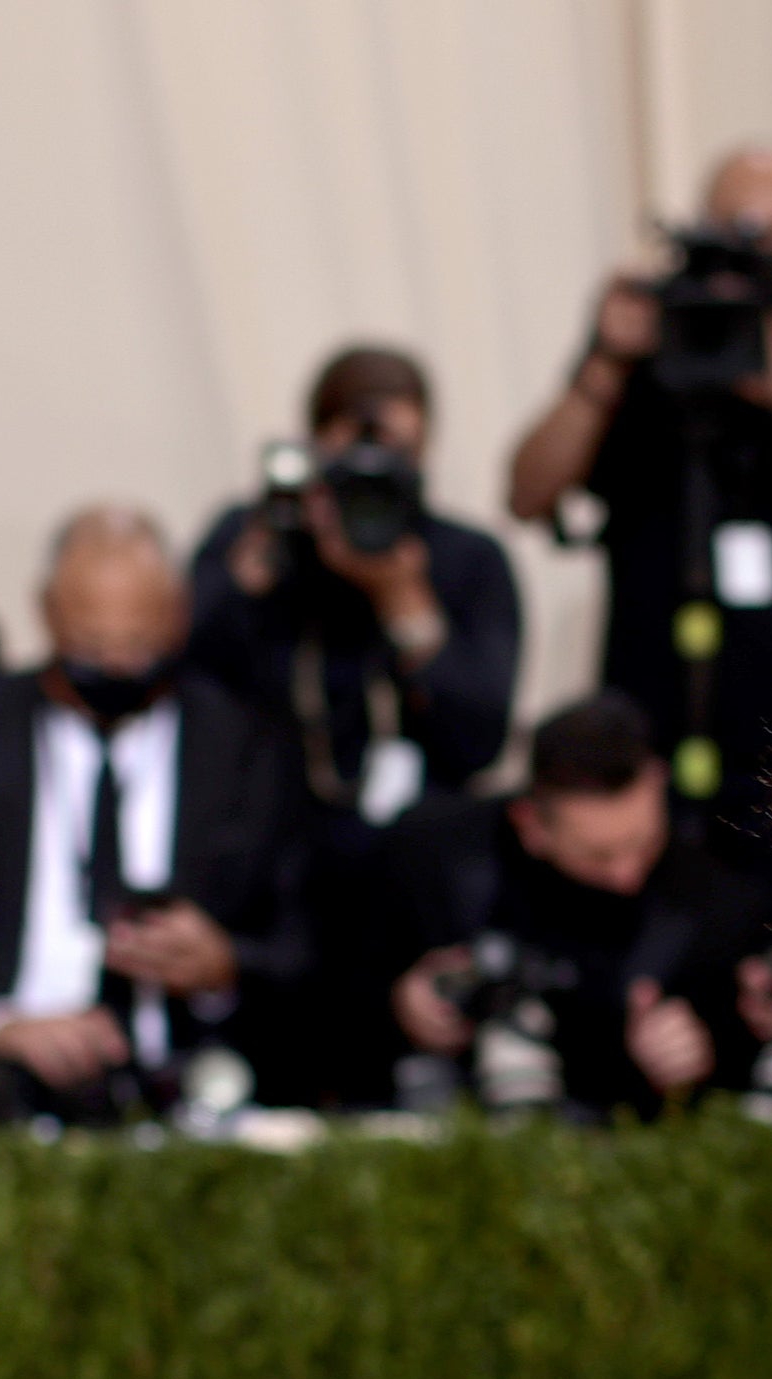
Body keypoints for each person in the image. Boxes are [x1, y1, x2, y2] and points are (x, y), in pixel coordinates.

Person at [505, 145, 772, 909]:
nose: (762, 261)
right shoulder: (642, 368)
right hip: (641, 760)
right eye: (745, 237)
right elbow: (528, 492)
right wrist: (603, 364)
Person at [0, 508, 309, 1121]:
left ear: (178, 617)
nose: (113, 667)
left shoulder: (246, 744)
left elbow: (304, 939)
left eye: (137, 646)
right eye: (89, 646)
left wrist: (223, 966)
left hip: (191, 1084)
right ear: (47, 613)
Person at [187, 346, 524, 1105]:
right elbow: (186, 682)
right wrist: (255, 565)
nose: (373, 471)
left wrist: (405, 600)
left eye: (397, 452)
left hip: (412, 880)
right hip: (272, 873)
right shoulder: (263, 543)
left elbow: (479, 738)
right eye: (354, 451)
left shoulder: (464, 560)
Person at [383, 690, 765, 1122]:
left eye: (641, 843)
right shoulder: (438, 862)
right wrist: (403, 1002)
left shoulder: (717, 902)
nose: (626, 874)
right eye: (597, 855)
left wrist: (687, 1062)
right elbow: (332, 995)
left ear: (658, 782)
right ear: (530, 824)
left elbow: (745, 1066)